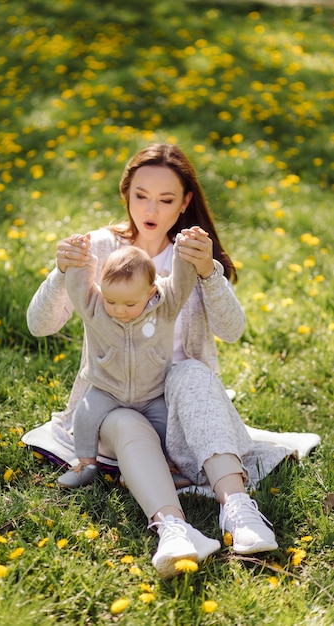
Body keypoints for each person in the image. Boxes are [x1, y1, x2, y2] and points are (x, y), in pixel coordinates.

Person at [25, 143, 308, 578]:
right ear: (126, 193)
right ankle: (174, 530)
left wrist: (210, 273)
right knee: (124, 421)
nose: (150, 209)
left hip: (180, 404)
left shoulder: (189, 255)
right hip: (114, 400)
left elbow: (232, 331)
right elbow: (39, 325)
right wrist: (59, 272)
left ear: (185, 203)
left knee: (192, 372)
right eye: (140, 195)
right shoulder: (99, 247)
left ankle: (238, 510)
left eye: (165, 198)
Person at [58, 233, 199, 489]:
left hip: (152, 393)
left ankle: (163, 467)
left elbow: (182, 283)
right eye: (112, 301)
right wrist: (82, 259)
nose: (119, 310)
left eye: (130, 303)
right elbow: (78, 288)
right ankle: (85, 465)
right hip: (107, 389)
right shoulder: (96, 307)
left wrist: (183, 252)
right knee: (84, 417)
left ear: (151, 292)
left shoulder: (165, 306)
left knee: (168, 429)